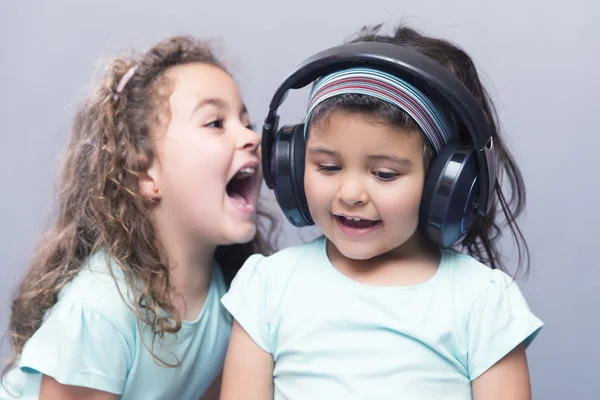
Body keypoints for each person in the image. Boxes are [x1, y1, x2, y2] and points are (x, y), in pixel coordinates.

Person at [220, 24, 543, 400]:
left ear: (445, 184)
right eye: (328, 167)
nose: (352, 193)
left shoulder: (481, 302)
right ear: (291, 165)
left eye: (384, 174)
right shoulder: (267, 287)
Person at [1, 35, 276, 400]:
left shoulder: (230, 299)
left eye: (247, 123)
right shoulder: (102, 310)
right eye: (215, 123)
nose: (250, 137)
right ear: (145, 172)